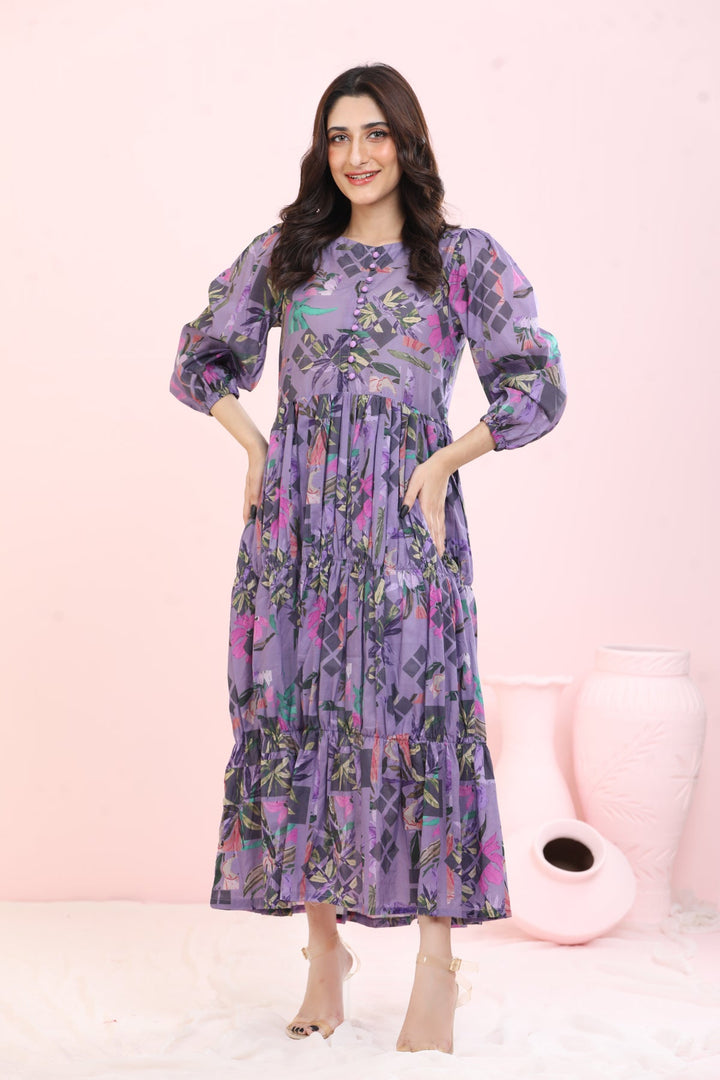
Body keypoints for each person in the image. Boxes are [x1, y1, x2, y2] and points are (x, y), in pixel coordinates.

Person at [169, 62, 567, 1054]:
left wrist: (447, 459)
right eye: (339, 136)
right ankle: (323, 956)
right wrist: (256, 446)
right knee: (299, 714)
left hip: (404, 517)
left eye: (375, 133)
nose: (356, 155)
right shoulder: (289, 255)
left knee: (420, 720)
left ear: (407, 142)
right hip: (296, 527)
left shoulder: (459, 258)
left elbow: (534, 383)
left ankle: (438, 968)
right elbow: (200, 358)